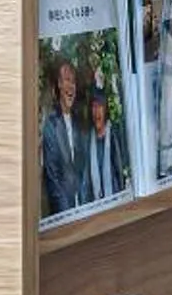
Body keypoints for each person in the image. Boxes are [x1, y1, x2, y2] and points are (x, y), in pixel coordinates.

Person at [39, 57, 84, 217]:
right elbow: (53, 179)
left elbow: (82, 170)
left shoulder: (78, 123)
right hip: (65, 212)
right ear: (58, 84)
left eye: (73, 81)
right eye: (66, 80)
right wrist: (68, 215)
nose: (71, 85)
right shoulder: (51, 125)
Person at [81, 69, 128, 203]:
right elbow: (85, 181)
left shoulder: (114, 136)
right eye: (94, 107)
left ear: (106, 108)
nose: (97, 111)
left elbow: (120, 173)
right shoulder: (88, 140)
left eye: (100, 106)